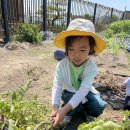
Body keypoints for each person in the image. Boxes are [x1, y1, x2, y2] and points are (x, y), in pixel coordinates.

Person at [51, 18, 107, 127]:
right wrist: (55, 107)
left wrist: (64, 110)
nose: (76, 55)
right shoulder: (62, 65)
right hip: (69, 91)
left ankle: (83, 111)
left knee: (98, 106)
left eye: (82, 50)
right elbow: (57, 86)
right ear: (66, 49)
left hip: (86, 92)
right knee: (72, 99)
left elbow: (83, 91)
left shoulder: (91, 67)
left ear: (90, 49)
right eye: (71, 49)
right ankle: (71, 111)